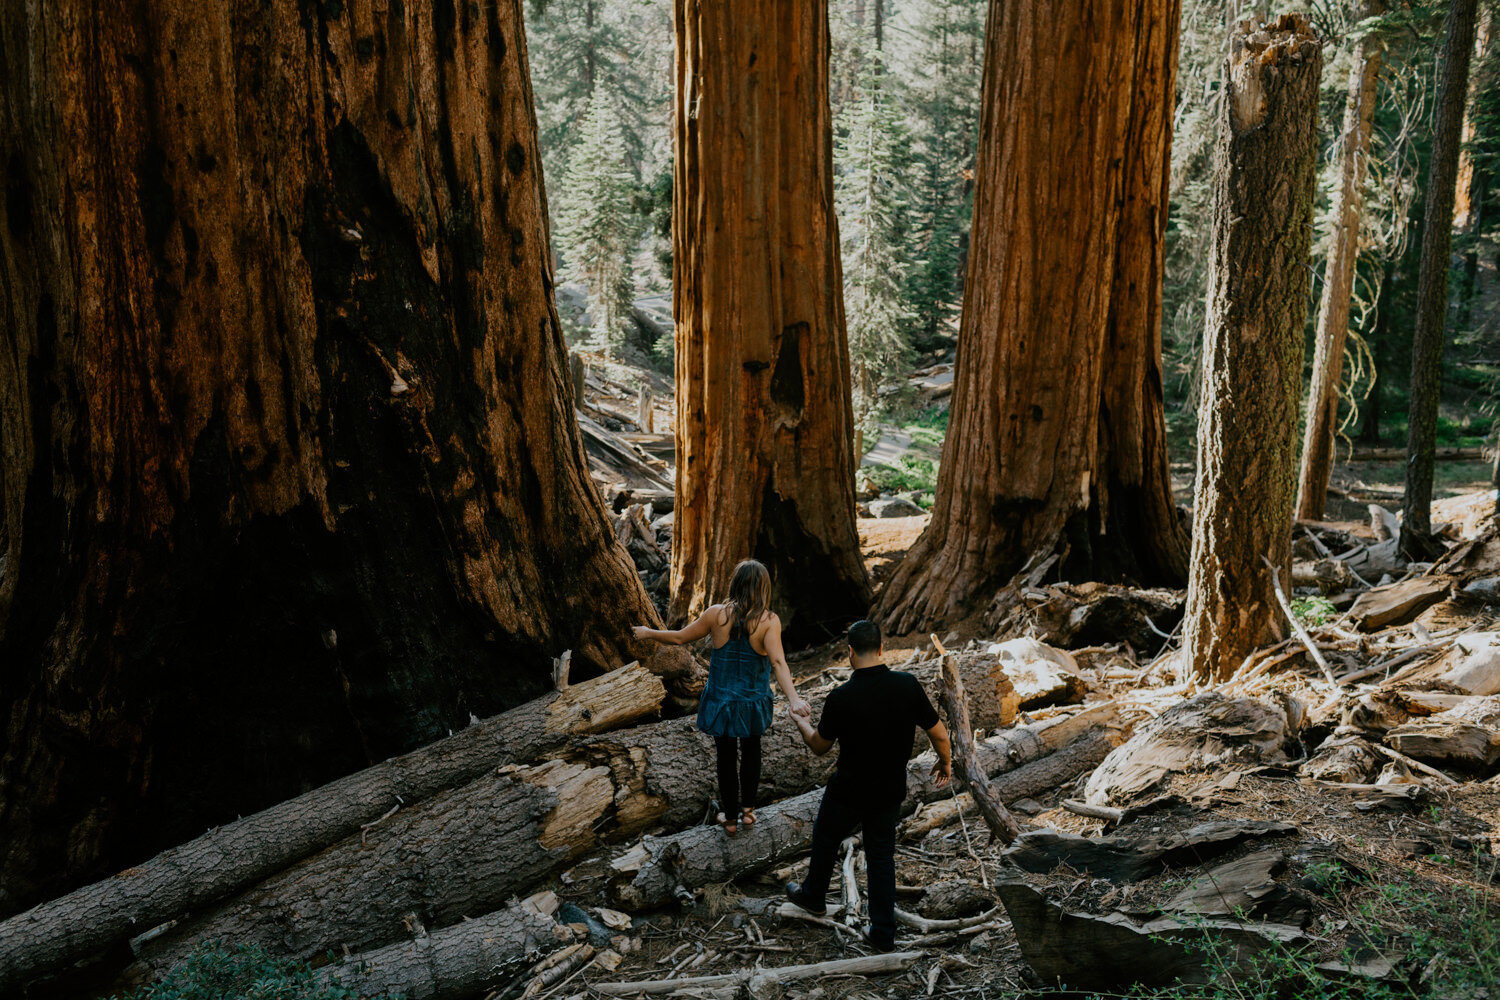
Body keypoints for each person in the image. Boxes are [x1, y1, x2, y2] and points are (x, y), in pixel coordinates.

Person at [785, 619, 952, 952]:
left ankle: (814, 896)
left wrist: (802, 723)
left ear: (849, 652)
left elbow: (820, 746)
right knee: (880, 857)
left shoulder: (841, 697)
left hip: (849, 787)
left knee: (826, 836)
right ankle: (883, 933)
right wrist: (945, 761)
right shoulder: (907, 685)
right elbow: (938, 732)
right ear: (880, 649)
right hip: (889, 788)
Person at [633, 559, 810, 834]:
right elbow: (778, 663)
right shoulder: (768, 621)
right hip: (752, 701)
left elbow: (680, 638)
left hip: (721, 702)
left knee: (725, 757)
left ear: (735, 584)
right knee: (752, 751)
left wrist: (647, 633)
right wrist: (795, 699)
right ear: (764, 587)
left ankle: (729, 818)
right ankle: (748, 813)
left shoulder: (716, 614)